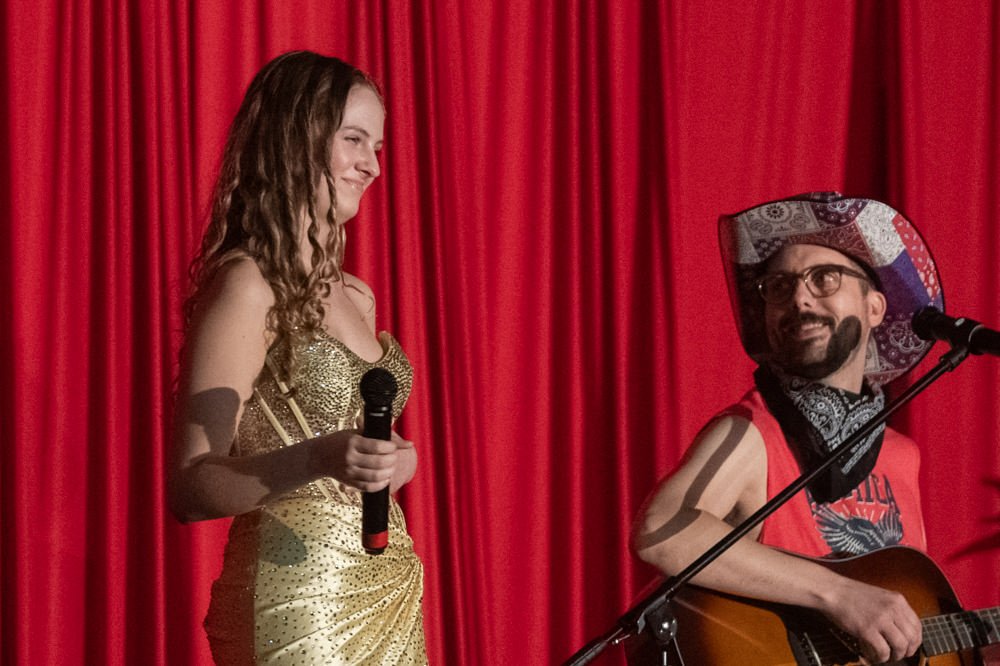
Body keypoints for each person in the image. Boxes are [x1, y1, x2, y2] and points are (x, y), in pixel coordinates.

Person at [168, 51, 427, 664]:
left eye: (378, 146)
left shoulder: (358, 295)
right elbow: (189, 485)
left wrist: (396, 465)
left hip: (385, 586)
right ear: (295, 140)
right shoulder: (248, 287)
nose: (371, 165)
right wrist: (316, 457)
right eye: (354, 139)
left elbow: (363, 451)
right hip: (298, 598)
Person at [631, 192, 946, 664]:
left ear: (875, 307)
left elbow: (898, 619)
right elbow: (661, 530)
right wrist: (839, 596)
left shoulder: (902, 454)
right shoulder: (749, 432)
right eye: (779, 286)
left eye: (824, 278)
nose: (799, 296)